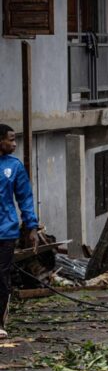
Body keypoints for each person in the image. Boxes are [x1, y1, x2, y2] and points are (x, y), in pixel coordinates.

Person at [0, 125, 39, 339]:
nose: (15, 144)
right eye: (11, 140)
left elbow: (25, 198)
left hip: (6, 231)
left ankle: (0, 323)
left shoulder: (14, 166)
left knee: (1, 276)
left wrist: (31, 227)